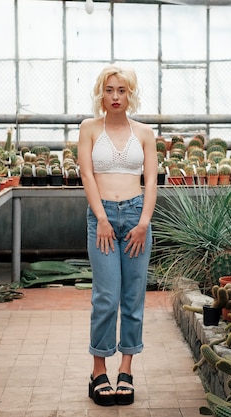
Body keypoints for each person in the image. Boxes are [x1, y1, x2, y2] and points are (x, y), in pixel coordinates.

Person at [78, 64, 158, 406]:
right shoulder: (89, 129)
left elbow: (152, 181)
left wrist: (143, 222)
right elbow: (87, 175)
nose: (115, 96)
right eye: (109, 90)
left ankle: (126, 369)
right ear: (101, 93)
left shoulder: (144, 133)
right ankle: (99, 370)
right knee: (106, 297)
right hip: (104, 219)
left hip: (137, 217)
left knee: (133, 297)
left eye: (122, 90)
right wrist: (101, 218)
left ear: (130, 94)